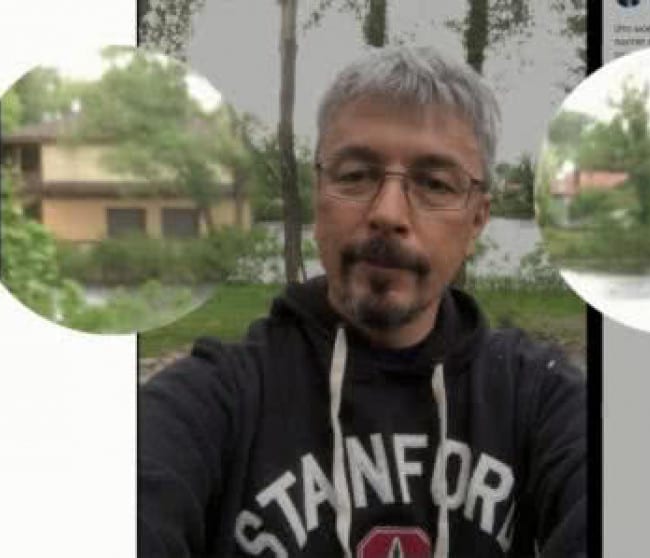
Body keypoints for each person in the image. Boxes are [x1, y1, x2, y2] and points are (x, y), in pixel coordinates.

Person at [139, 46, 587, 558]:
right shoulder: (218, 400)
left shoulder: (539, 399)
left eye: (435, 183)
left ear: (477, 220)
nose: (388, 213)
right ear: (318, 193)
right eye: (355, 175)